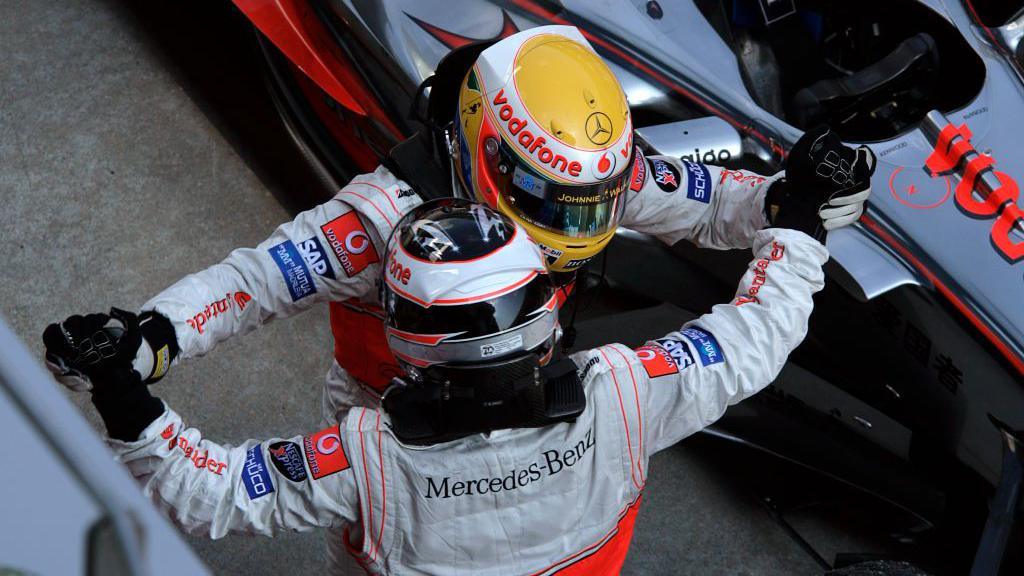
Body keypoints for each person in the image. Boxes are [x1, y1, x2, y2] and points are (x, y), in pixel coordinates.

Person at [43, 25, 874, 427]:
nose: (579, 224)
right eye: (555, 204)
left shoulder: (576, 178)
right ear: (485, 149)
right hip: (392, 429)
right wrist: (150, 335)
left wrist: (788, 198)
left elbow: (706, 199)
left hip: (530, 417)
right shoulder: (379, 217)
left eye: (592, 202)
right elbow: (257, 280)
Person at [46, 196, 833, 575]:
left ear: (406, 335)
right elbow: (755, 337)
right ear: (544, 305)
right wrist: (794, 228)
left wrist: (125, 392)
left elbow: (208, 492)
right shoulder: (633, 393)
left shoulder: (365, 460)